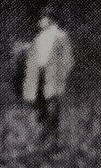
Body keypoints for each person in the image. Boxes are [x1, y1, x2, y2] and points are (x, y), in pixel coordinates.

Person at [22, 8, 74, 138]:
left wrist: (61, 75)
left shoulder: (60, 36)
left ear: (50, 19)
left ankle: (53, 134)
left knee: (52, 103)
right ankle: (43, 134)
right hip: (38, 75)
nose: (40, 22)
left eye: (42, 19)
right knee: (40, 104)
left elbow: (68, 60)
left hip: (53, 74)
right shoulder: (38, 38)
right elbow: (32, 58)